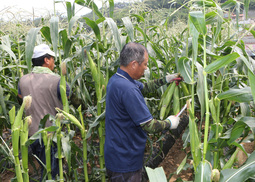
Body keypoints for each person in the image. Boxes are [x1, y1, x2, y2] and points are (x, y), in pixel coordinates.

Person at [105, 42, 182, 182]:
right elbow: (149, 125)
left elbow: (145, 87)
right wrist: (169, 123)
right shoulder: (127, 89)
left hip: (117, 155)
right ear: (134, 64)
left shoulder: (118, 79)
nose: (146, 68)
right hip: (126, 161)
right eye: (145, 64)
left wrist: (166, 79)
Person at [18, 44, 70, 180]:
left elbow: (21, 100)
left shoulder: (23, 80)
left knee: (44, 167)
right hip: (51, 135)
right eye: (52, 59)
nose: (54, 62)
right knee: (51, 173)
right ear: (46, 60)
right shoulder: (58, 80)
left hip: (31, 135)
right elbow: (70, 99)